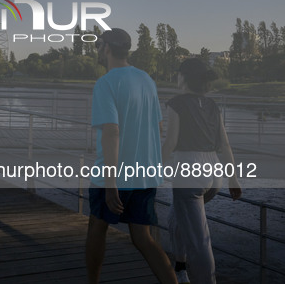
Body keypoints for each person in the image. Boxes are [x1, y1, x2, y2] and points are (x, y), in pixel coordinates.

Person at [86, 28, 177, 284]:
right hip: (146, 173)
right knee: (143, 238)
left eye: (98, 46)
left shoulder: (106, 82)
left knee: (97, 227)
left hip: (115, 174)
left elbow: (112, 132)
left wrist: (110, 183)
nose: (97, 51)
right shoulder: (146, 79)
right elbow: (158, 127)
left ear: (105, 47)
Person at [162, 58, 242, 284]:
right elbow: (224, 145)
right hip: (213, 173)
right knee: (176, 216)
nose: (176, 77)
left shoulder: (176, 103)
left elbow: (170, 143)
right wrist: (233, 179)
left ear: (185, 77)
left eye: (178, 73)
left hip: (189, 173)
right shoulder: (212, 105)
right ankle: (180, 268)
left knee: (199, 242)